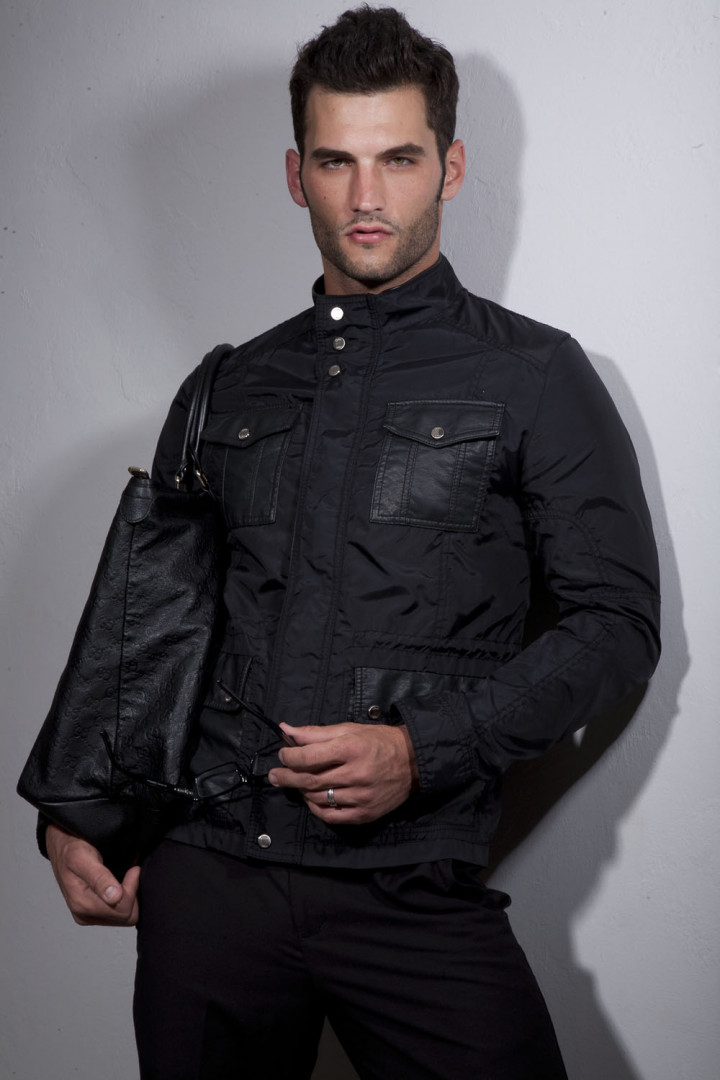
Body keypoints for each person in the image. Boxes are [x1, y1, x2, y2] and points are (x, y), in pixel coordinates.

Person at [44, 7, 661, 1078]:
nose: (366, 197)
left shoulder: (536, 376)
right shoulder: (228, 385)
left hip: (410, 884)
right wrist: (76, 812)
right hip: (209, 879)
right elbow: (151, 627)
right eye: (336, 161)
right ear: (298, 176)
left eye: (398, 159)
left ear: (450, 167)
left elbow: (616, 626)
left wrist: (427, 749)